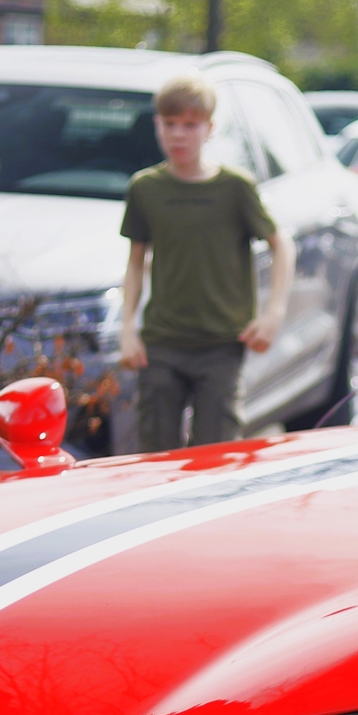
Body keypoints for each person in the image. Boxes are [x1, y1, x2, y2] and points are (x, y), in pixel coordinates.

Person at [116, 72, 293, 451]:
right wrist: (128, 329)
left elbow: (282, 246)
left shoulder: (234, 188)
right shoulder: (145, 188)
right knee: (155, 455)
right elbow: (136, 262)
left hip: (221, 345)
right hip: (162, 344)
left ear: (209, 129)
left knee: (215, 454)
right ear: (157, 125)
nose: (178, 134)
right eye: (170, 124)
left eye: (190, 125)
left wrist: (273, 313)